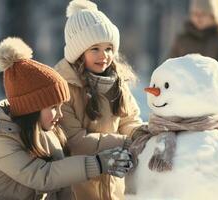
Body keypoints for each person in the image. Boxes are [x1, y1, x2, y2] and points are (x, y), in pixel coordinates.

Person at [0, 37, 133, 200]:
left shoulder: (47, 134)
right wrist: (97, 163)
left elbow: (60, 182)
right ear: (31, 109)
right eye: (53, 108)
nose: (60, 114)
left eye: (60, 107)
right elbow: (43, 176)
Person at [54, 0, 148, 199]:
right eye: (95, 49)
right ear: (78, 52)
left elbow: (128, 120)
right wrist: (124, 142)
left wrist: (140, 134)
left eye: (108, 48)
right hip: (79, 185)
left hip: (114, 182)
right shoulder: (64, 87)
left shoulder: (117, 82)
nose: (104, 56)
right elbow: (74, 140)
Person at [169, 0, 218, 88]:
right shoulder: (182, 40)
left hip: (212, 95)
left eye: (203, 14)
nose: (198, 17)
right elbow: (170, 68)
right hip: (184, 94)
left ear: (213, 16)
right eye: (195, 13)